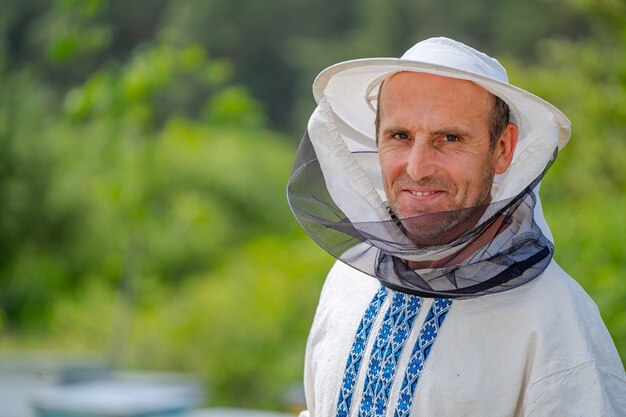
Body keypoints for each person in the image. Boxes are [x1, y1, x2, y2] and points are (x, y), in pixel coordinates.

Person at [287, 37, 626, 416]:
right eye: (400, 136)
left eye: (449, 138)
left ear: (502, 149)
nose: (417, 168)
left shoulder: (557, 322)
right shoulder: (347, 282)